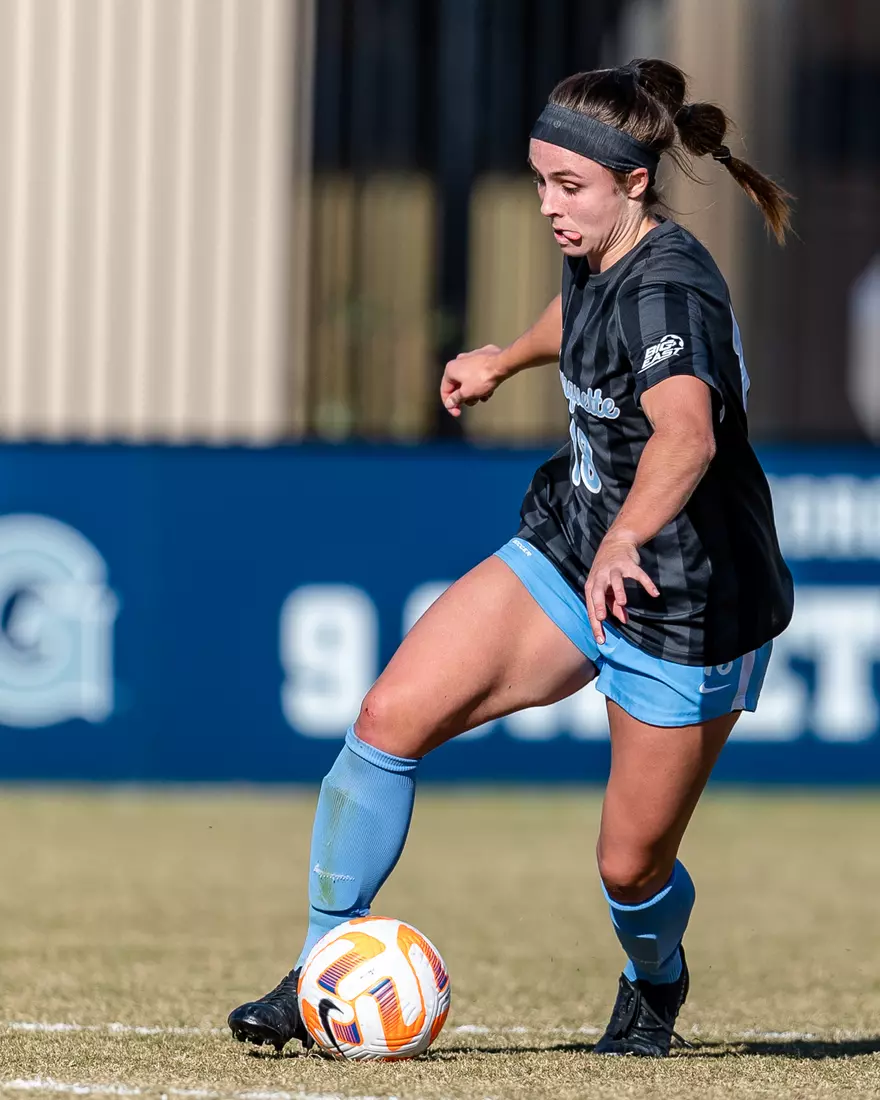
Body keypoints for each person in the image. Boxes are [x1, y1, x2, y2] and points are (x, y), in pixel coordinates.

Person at [228, 58, 794, 1058]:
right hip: (573, 550)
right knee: (385, 718)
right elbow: (578, 315)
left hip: (688, 604)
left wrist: (629, 535)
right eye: (538, 181)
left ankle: (653, 980)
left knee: (629, 867)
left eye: (566, 187)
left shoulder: (673, 291)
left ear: (632, 182)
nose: (546, 206)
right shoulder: (598, 249)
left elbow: (687, 437)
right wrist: (502, 355)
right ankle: (321, 970)